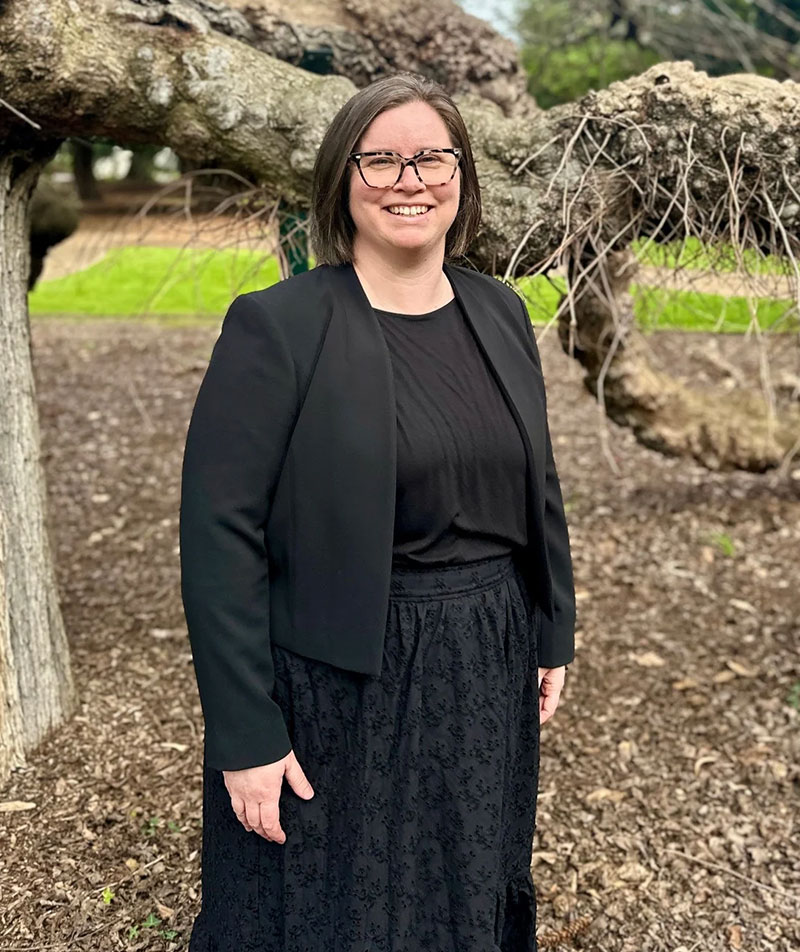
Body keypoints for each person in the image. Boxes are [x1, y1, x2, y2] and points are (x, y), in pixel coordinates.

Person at [180, 70, 576, 952]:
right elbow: (220, 537)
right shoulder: (278, 326)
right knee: (334, 906)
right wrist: (244, 733)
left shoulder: (499, 311)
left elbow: (536, 483)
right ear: (341, 181)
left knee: (461, 887)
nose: (411, 180)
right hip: (339, 678)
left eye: (433, 157)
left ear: (461, 179)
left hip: (483, 661)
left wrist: (552, 630)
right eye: (382, 160)